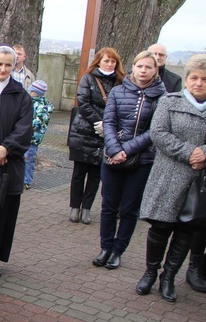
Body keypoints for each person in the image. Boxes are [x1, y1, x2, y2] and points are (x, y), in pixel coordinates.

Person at [136, 53, 206, 301]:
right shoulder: (170, 101)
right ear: (187, 79)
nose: (199, 83)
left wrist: (205, 154)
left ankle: (168, 278)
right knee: (160, 227)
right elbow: (158, 134)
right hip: (168, 175)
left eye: (205, 79)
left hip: (198, 181)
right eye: (194, 78)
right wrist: (191, 152)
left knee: (186, 230)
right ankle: (150, 273)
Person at [94, 51, 166, 270]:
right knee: (108, 205)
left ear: (155, 70)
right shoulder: (117, 91)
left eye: (148, 67)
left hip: (142, 160)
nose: (143, 70)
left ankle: (118, 251)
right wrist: (115, 149)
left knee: (129, 209)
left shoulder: (163, 97)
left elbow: (156, 130)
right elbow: (110, 121)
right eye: (139, 66)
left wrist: (127, 149)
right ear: (133, 67)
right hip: (113, 158)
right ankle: (105, 247)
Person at [0, 44, 33, 278]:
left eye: (8, 65)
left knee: (2, 214)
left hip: (10, 163)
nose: (3, 68)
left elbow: (25, 128)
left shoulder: (21, 95)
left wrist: (5, 148)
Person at [67, 48, 125, 224]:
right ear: (99, 61)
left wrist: (108, 125)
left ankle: (87, 208)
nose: (109, 64)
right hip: (84, 131)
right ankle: (74, 207)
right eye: (106, 60)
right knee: (79, 173)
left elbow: (122, 106)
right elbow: (83, 103)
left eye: (113, 61)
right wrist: (99, 121)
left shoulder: (120, 82)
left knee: (95, 174)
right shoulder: (88, 78)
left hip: (105, 135)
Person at [24, 80, 54, 189]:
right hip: (25, 136)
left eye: (32, 90)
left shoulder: (42, 106)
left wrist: (24, 124)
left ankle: (27, 181)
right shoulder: (29, 101)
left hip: (33, 138)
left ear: (36, 92)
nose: (30, 91)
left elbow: (38, 122)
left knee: (28, 158)